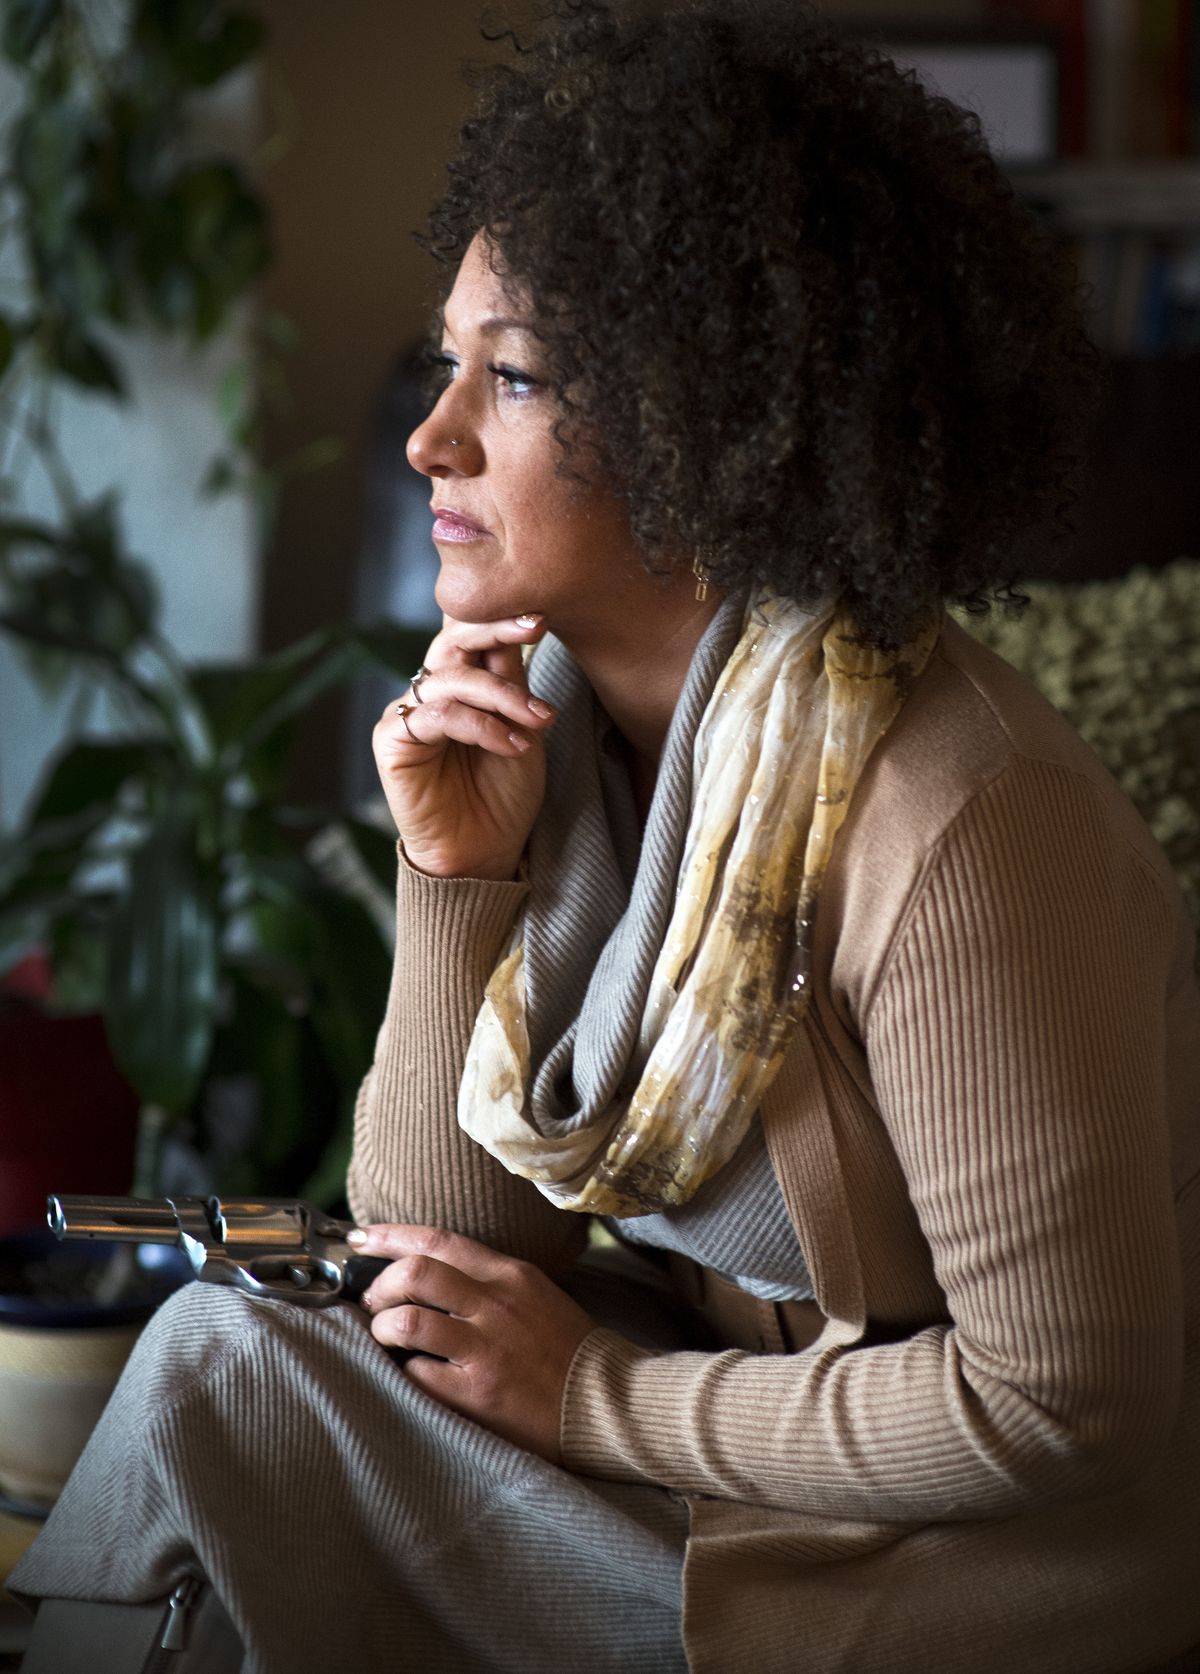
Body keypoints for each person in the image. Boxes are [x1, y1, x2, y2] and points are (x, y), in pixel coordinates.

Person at [12, 3, 1200, 1671]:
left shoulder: (960, 820)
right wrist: (456, 878)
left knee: (222, 1393)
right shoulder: (561, 721)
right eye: (448, 366)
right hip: (706, 1455)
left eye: (508, 376)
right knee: (238, 1353)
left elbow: (1062, 1405)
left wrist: (593, 1394)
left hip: (951, 1563)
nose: (432, 438)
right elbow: (444, 1253)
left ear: (709, 429)